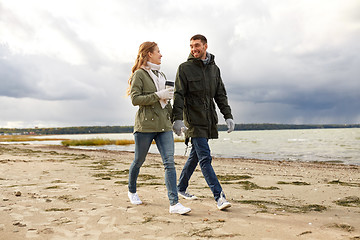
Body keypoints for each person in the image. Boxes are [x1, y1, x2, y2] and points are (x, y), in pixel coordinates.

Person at [127, 41, 191, 215]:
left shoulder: (161, 75)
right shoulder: (140, 75)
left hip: (163, 126)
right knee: (138, 161)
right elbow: (135, 99)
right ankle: (132, 190)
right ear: (149, 54)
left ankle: (174, 204)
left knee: (169, 162)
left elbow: (165, 103)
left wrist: (177, 121)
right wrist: (157, 95)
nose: (161, 55)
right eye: (158, 51)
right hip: (145, 126)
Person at [172, 34, 235, 210]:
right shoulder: (184, 68)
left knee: (195, 156)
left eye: (197, 45)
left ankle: (181, 187)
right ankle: (219, 197)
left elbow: (220, 95)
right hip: (193, 121)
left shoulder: (215, 69)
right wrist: (176, 118)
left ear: (205, 46)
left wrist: (227, 115)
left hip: (208, 121)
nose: (194, 49)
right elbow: (178, 94)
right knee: (205, 158)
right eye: (191, 46)